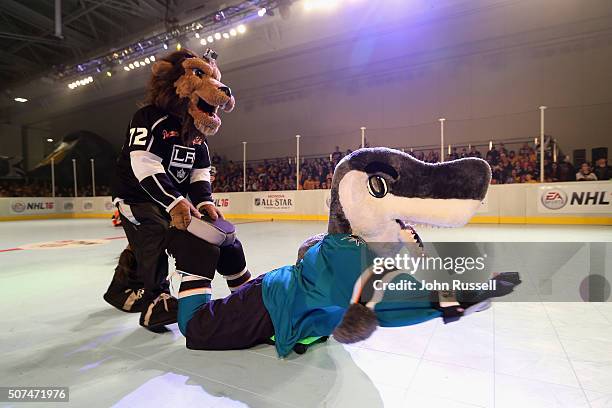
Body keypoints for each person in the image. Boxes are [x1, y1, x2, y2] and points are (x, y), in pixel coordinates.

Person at [104, 49, 251, 330]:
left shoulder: (196, 131)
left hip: (170, 198)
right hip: (135, 194)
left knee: (159, 238)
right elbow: (145, 164)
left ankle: (119, 290)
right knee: (155, 232)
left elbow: (199, 172)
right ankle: (155, 302)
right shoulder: (149, 117)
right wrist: (175, 202)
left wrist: (204, 200)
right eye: (198, 74)